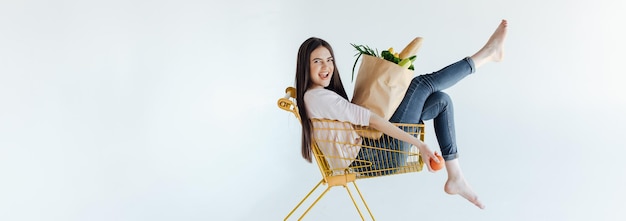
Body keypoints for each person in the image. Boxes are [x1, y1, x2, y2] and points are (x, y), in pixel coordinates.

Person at [295, 19, 508, 209]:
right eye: (317, 61)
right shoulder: (316, 97)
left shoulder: (317, 96)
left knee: (441, 101)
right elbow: (371, 119)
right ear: (305, 66)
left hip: (374, 152)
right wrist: (420, 145)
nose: (326, 66)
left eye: (329, 60)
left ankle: (455, 177)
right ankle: (486, 54)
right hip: (374, 156)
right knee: (420, 84)